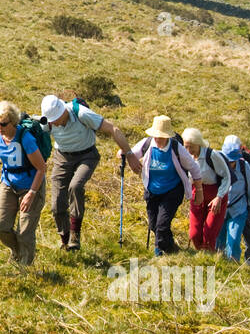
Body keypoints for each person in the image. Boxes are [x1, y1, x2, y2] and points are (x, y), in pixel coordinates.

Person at [39, 94, 136, 250]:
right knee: (57, 205)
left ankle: (75, 235)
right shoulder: (47, 122)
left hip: (87, 155)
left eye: (56, 119)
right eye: (51, 121)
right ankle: (65, 241)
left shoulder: (81, 114)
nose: (54, 123)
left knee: (75, 186)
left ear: (64, 111)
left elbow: (113, 128)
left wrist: (129, 154)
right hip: (62, 157)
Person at [0, 101, 48, 267]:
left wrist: (31, 194)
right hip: (8, 184)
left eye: (3, 124)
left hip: (31, 185)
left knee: (25, 232)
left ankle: (25, 268)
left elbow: (41, 168)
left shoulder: (25, 138)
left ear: (13, 122)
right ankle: (18, 251)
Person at [122, 115, 203, 257]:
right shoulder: (147, 143)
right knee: (154, 225)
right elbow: (131, 154)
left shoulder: (176, 148)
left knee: (161, 226)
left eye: (161, 136)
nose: (157, 139)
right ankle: (171, 247)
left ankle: (163, 252)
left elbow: (194, 168)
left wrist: (199, 191)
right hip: (152, 190)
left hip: (172, 191)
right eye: (156, 135)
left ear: (167, 136)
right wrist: (123, 153)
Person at [182, 128, 229, 252]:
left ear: (198, 144)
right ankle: (201, 254)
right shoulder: (186, 157)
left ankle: (208, 259)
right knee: (194, 234)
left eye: (190, 147)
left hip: (215, 196)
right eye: (185, 147)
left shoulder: (212, 155)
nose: (187, 150)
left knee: (209, 233)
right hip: (196, 193)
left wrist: (219, 197)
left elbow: (226, 176)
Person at [218, 135, 250, 262]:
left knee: (234, 240)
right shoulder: (217, 163)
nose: (230, 163)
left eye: (232, 160)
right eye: (227, 160)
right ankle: (219, 265)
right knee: (218, 240)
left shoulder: (245, 166)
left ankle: (232, 266)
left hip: (239, 209)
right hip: (220, 209)